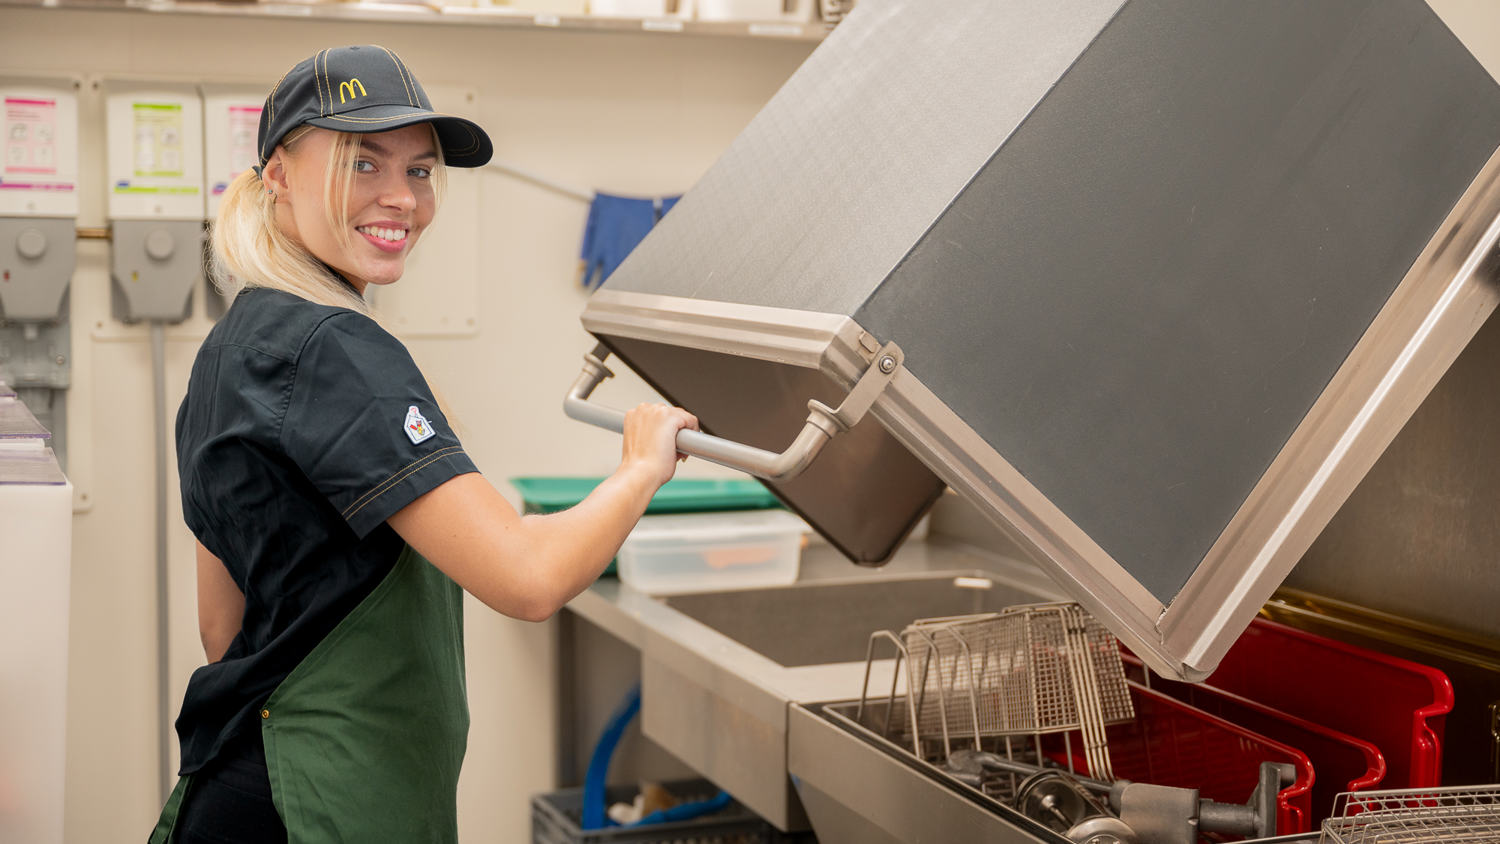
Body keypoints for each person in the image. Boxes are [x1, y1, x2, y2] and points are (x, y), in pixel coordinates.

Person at [148, 45, 698, 843]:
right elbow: (529, 578)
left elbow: (220, 624)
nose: (400, 198)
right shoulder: (336, 350)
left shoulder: (232, 346)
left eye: (420, 171)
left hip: (232, 795)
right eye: (364, 163)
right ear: (278, 175)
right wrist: (641, 468)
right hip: (325, 807)